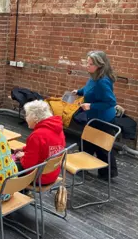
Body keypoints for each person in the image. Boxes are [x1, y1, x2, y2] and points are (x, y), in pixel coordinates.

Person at [72, 51, 118, 179]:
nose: (87, 66)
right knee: (88, 143)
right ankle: (86, 168)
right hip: (93, 117)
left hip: (103, 119)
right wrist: (79, 92)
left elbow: (111, 102)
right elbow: (89, 89)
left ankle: (108, 173)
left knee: (102, 147)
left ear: (99, 65)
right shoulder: (94, 76)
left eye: (90, 64)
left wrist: (91, 106)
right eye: (87, 62)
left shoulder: (103, 81)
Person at [14, 100, 66, 185]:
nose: (25, 118)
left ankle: (18, 192)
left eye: (27, 115)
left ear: (35, 117)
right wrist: (24, 149)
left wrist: (21, 157)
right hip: (53, 173)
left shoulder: (37, 135)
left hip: (40, 177)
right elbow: (44, 148)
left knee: (9, 167)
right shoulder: (58, 129)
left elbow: (28, 165)